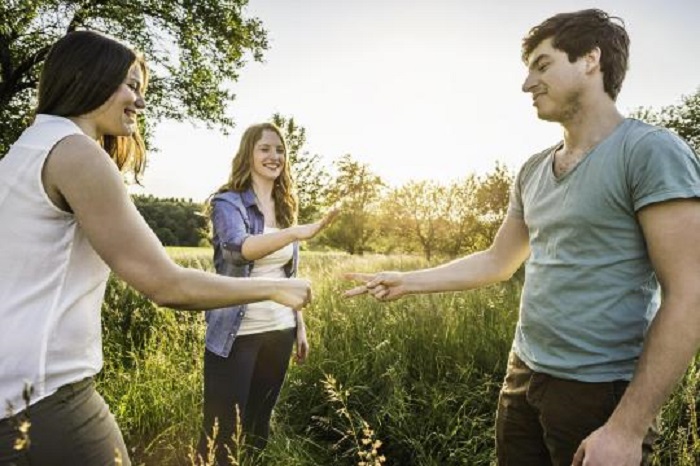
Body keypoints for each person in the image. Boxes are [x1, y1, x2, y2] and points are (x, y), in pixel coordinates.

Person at [345, 9, 700, 466]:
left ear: (590, 59)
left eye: (542, 64)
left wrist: (627, 429)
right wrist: (407, 280)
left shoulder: (650, 151)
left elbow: (689, 294)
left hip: (599, 392)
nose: (527, 84)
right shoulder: (533, 168)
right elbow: (498, 261)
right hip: (524, 376)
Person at [0, 31, 311, 466]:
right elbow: (168, 284)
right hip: (46, 393)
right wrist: (273, 290)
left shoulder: (23, 150)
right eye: (130, 85)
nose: (139, 102)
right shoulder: (76, 154)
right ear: (89, 78)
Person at [197, 122, 337, 465]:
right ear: (249, 153)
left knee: (259, 427)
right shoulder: (228, 202)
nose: (274, 156)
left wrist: (299, 324)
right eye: (265, 149)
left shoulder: (284, 204)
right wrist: (293, 233)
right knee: (221, 434)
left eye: (280, 150)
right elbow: (238, 249)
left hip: (279, 331)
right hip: (236, 333)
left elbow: (289, 275)